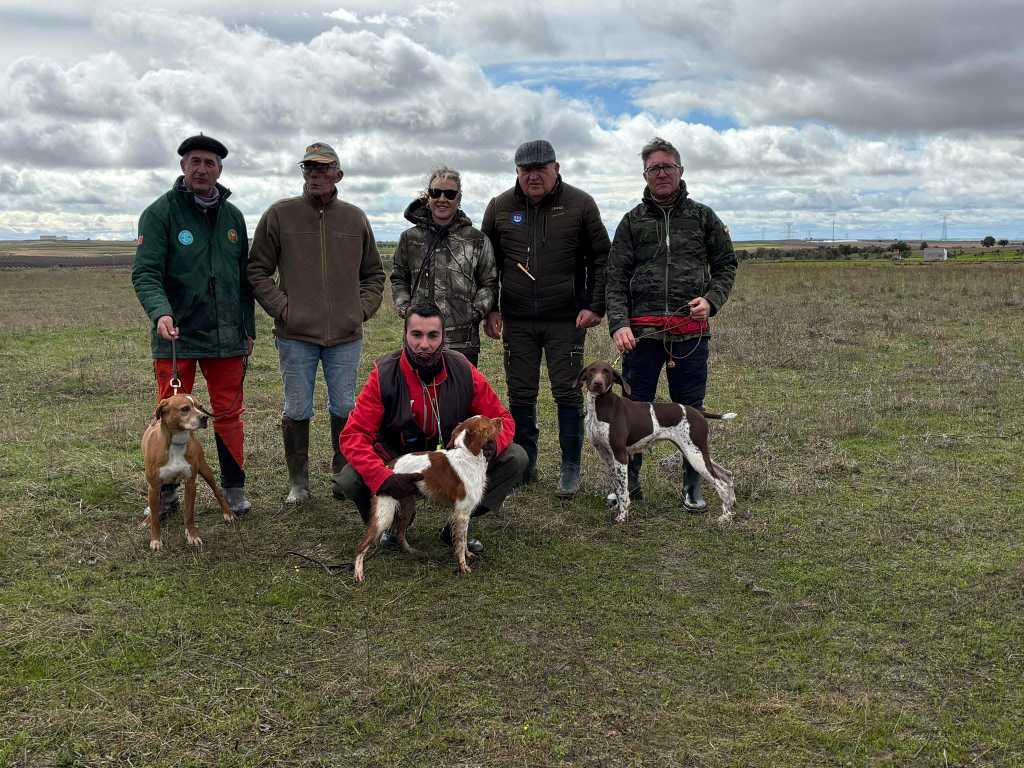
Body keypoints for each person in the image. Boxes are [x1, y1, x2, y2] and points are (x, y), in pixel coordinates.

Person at [248, 142, 385, 504]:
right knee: (296, 409)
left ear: (338, 175)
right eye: (309, 168)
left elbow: (373, 275)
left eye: (324, 169)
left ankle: (343, 477)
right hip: (295, 335)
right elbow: (257, 270)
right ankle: (299, 483)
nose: (316, 175)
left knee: (344, 408)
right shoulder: (280, 214)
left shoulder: (355, 218)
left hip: (345, 336)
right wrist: (283, 308)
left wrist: (360, 310)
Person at [605, 136, 737, 512]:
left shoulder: (703, 217)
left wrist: (711, 301)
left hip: (690, 335)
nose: (661, 173)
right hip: (641, 336)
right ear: (644, 175)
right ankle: (627, 485)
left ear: (680, 171)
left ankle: (693, 485)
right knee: (631, 409)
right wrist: (619, 324)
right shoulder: (631, 222)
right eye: (653, 168)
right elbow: (615, 278)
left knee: (690, 410)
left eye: (667, 167)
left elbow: (726, 266)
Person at [337, 303, 527, 553]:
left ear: (443, 337)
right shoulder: (383, 374)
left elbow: (502, 416)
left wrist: (495, 442)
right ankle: (393, 527)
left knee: (515, 457)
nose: (424, 344)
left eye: (432, 335)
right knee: (351, 478)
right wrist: (382, 477)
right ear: (405, 335)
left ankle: (457, 526)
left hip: (449, 463)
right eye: (416, 335)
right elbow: (354, 435)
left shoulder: (462, 369)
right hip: (398, 461)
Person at [132, 133, 255, 517]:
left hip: (225, 337)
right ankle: (166, 491)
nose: (202, 169)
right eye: (195, 161)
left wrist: (247, 327)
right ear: (183, 166)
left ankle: (234, 488)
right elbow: (146, 273)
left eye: (210, 163)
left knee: (228, 412)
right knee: (171, 414)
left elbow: (243, 278)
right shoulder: (160, 213)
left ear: (219, 169)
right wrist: (161, 313)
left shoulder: (233, 217)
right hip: (177, 337)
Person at [481, 139, 610, 498]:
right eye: (525, 170)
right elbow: (487, 265)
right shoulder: (500, 207)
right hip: (518, 321)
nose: (533, 176)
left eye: (541, 168)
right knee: (521, 394)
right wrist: (492, 308)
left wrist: (595, 305)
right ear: (517, 172)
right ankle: (525, 462)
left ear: (556, 168)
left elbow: (602, 258)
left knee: (567, 393)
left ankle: (570, 467)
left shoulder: (580, 205)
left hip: (567, 320)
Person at [390, 166, 497, 367]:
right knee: (418, 395)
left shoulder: (477, 240)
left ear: (459, 198)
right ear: (428, 196)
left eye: (449, 194)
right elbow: (399, 278)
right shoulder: (409, 239)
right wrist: (406, 309)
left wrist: (473, 313)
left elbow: (489, 283)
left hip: (463, 342)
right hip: (419, 342)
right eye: (435, 192)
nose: (442, 198)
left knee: (461, 396)